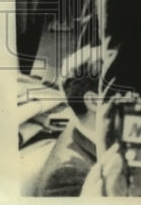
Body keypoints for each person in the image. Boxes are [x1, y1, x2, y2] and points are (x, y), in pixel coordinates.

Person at [35, 47, 102, 196]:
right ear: (93, 101)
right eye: (125, 93)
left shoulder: (81, 130)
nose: (137, 99)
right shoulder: (68, 175)